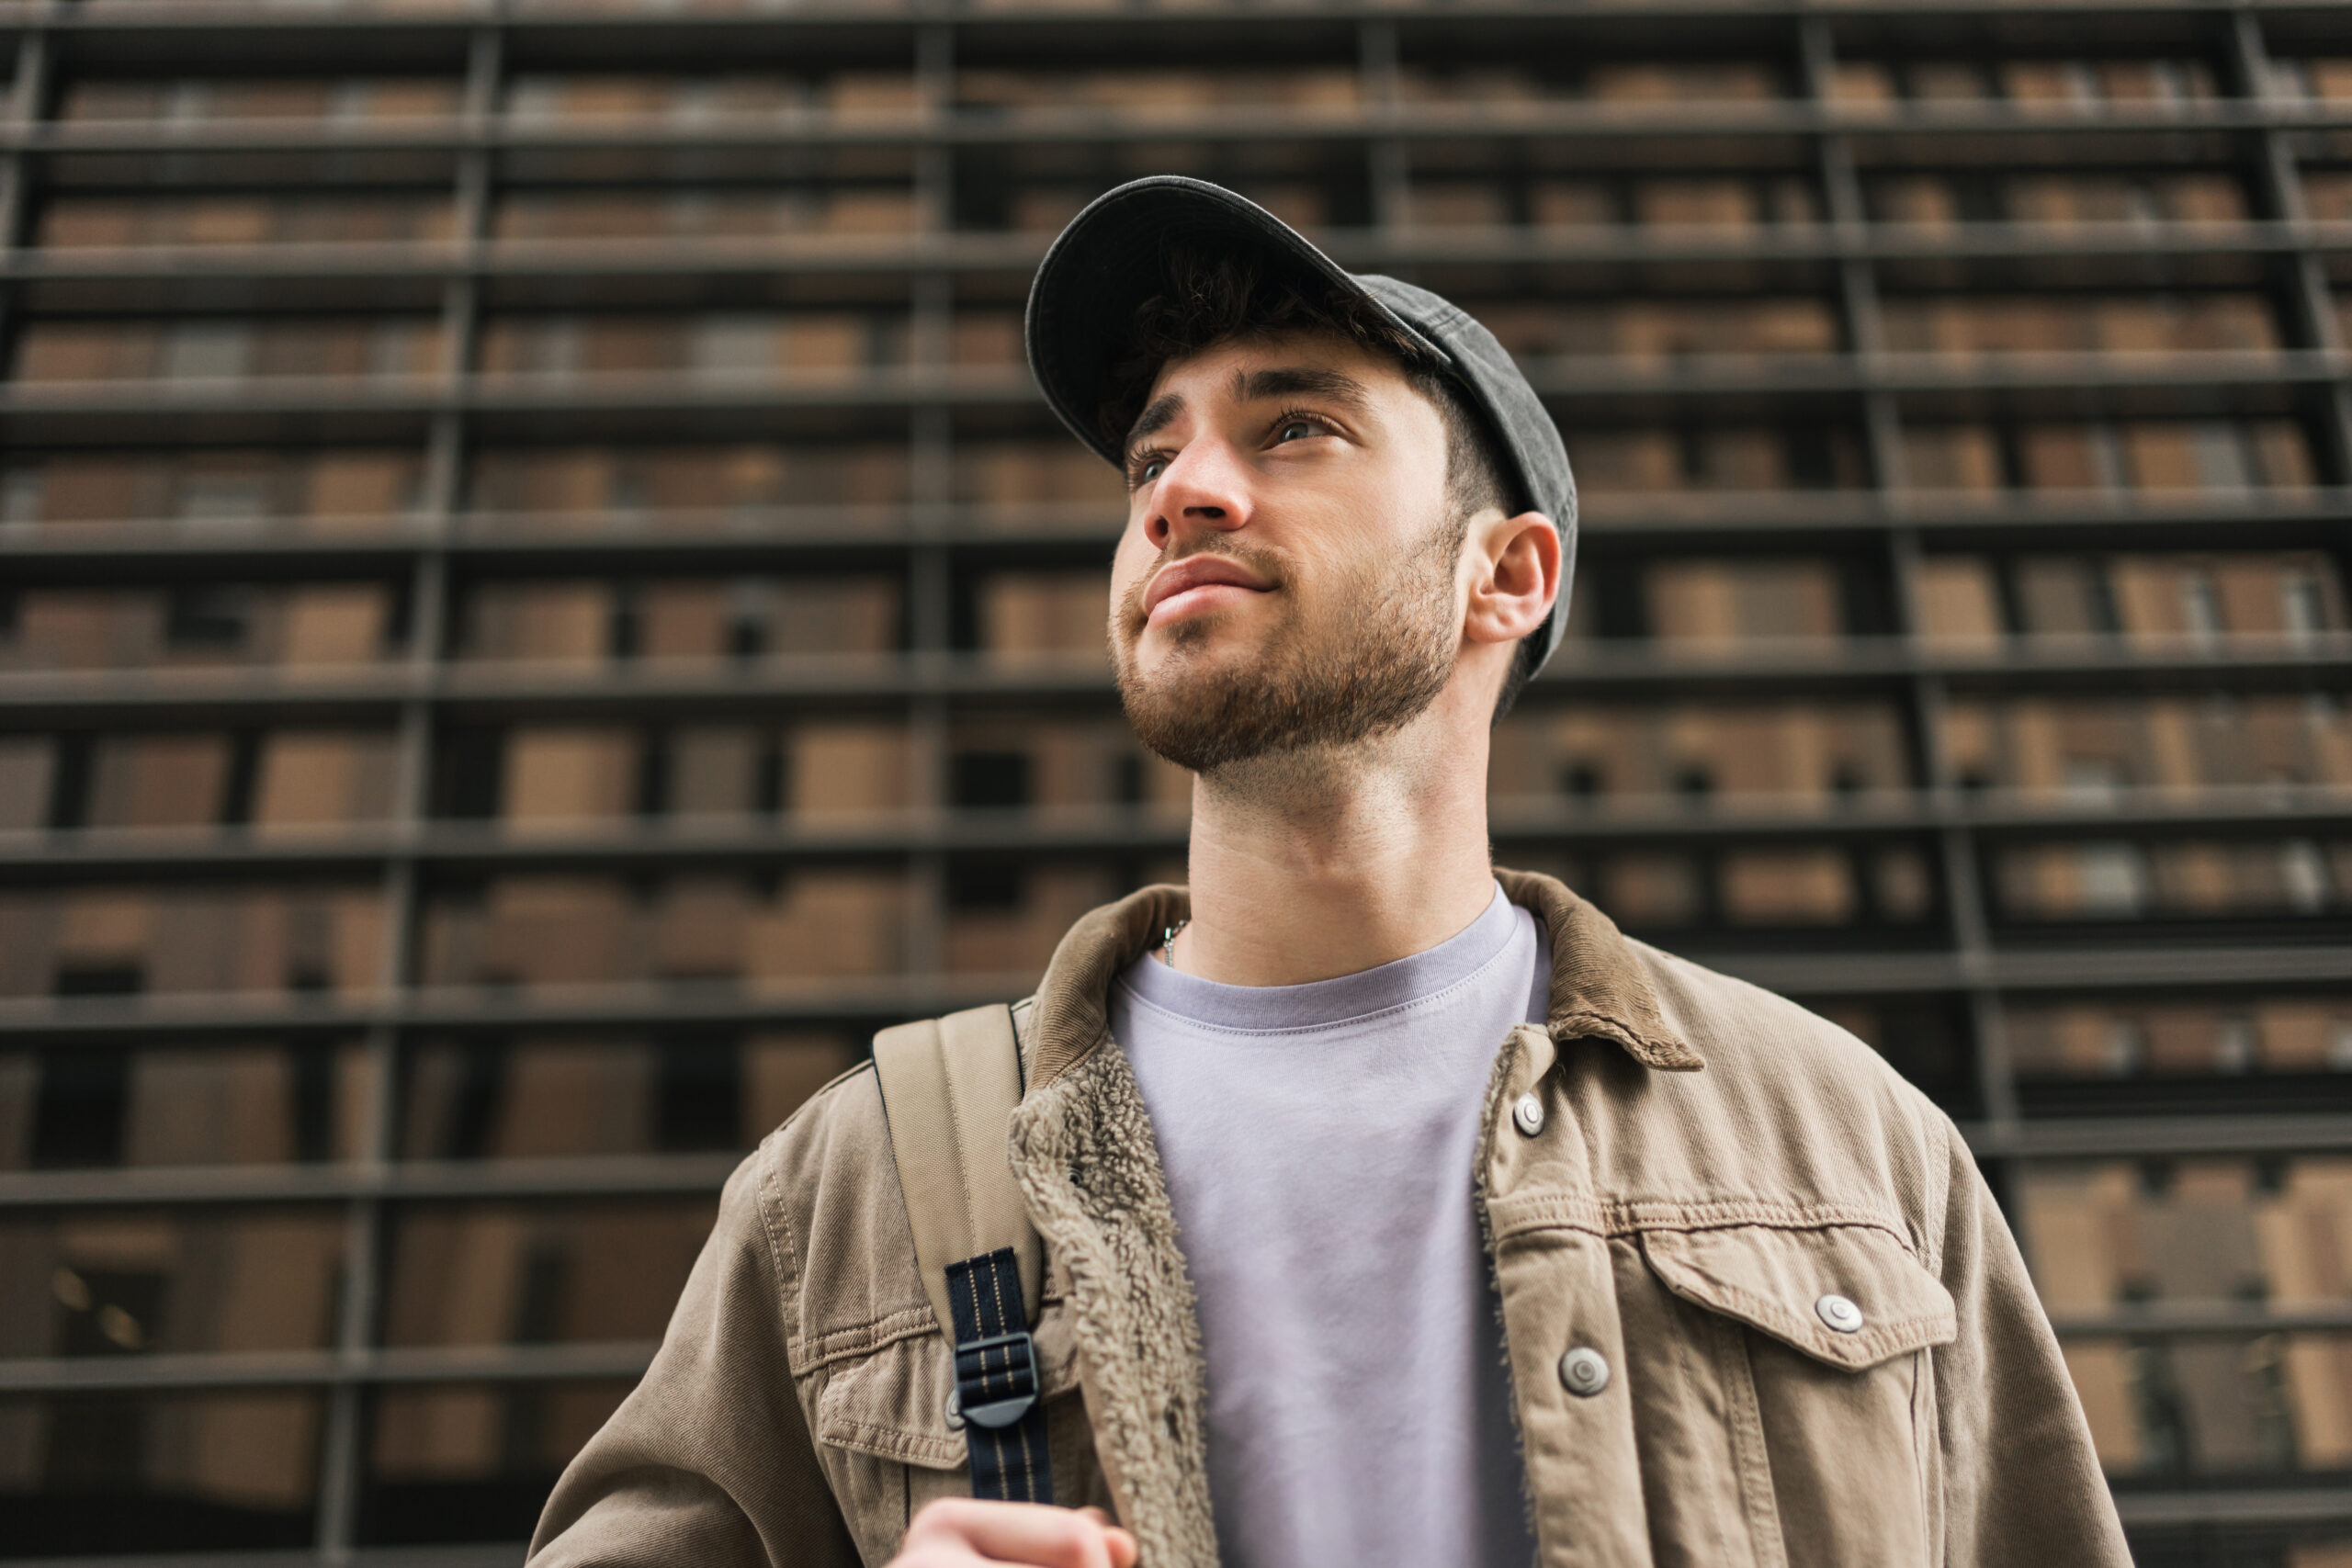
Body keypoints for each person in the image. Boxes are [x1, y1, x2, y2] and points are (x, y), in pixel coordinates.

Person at [528, 176, 2130, 1568]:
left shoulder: (1844, 1141)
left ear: (1506, 574)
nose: (1179, 492)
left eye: (1295, 426)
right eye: (1153, 456)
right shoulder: (859, 1188)